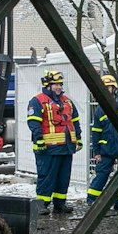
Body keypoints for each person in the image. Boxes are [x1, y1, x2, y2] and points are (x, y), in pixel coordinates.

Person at [25, 69, 79, 214]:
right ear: (48, 85)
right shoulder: (37, 101)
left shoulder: (67, 101)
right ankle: (41, 205)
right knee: (47, 177)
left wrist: (77, 139)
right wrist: (40, 141)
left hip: (66, 147)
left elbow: (75, 122)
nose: (59, 87)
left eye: (60, 84)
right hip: (47, 149)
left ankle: (60, 204)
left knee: (63, 178)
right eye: (56, 84)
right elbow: (33, 124)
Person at [88, 74, 118, 213]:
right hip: (106, 149)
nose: (105, 90)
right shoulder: (100, 109)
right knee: (101, 174)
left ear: (114, 88)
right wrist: (96, 152)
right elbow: (96, 132)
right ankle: (92, 200)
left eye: (107, 87)